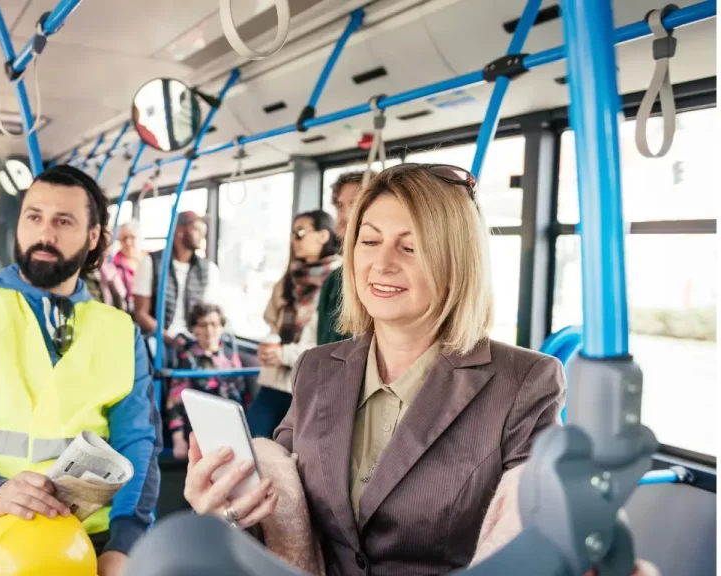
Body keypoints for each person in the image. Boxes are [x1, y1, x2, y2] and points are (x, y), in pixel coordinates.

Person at [182, 163, 565, 574]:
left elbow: (543, 529)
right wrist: (228, 512)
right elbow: (281, 517)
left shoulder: (524, 381)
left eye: (410, 246)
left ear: (457, 259)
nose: (381, 264)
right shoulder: (316, 369)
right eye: (369, 241)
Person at [0, 164, 162, 576]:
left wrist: (125, 544)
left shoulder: (120, 331)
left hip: (89, 536)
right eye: (34, 217)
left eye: (63, 221)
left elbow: (138, 446)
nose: (45, 233)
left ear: (93, 237)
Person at [246, 210, 341, 439]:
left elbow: (328, 343)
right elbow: (272, 323)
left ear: (323, 236)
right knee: (249, 441)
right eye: (292, 233)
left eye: (300, 232)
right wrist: (270, 350)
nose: (293, 240)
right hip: (273, 382)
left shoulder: (338, 281)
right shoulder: (289, 277)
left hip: (309, 385)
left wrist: (284, 354)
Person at [166, 303, 249, 459]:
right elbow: (174, 403)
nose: (209, 330)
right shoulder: (187, 360)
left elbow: (243, 395)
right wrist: (178, 441)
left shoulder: (232, 356)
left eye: (214, 324)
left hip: (233, 425)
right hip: (204, 427)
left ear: (222, 327)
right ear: (195, 329)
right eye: (203, 325)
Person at [132, 211, 221, 350]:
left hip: (194, 340)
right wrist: (168, 338)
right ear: (179, 230)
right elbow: (140, 313)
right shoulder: (151, 262)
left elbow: (209, 312)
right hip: (158, 339)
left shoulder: (209, 269)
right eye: (196, 229)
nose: (202, 235)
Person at [317, 170, 364, 346]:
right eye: (340, 206)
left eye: (355, 204)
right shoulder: (333, 281)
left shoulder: (381, 276)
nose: (344, 216)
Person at [112, 219, 142, 311]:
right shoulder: (114, 265)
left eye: (132, 237)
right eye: (124, 238)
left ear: (140, 238)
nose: (128, 242)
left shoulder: (149, 259)